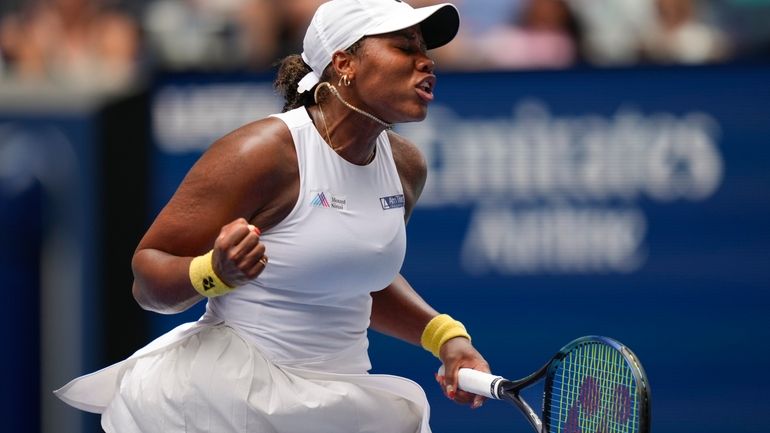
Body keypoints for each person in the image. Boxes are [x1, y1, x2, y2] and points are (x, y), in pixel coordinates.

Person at [54, 1, 490, 432]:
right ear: (344, 63)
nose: (426, 62)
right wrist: (214, 271)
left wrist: (446, 338)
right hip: (226, 399)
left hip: (338, 394)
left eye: (426, 50)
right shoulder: (262, 153)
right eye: (405, 46)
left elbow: (356, 276)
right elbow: (147, 280)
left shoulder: (405, 167)